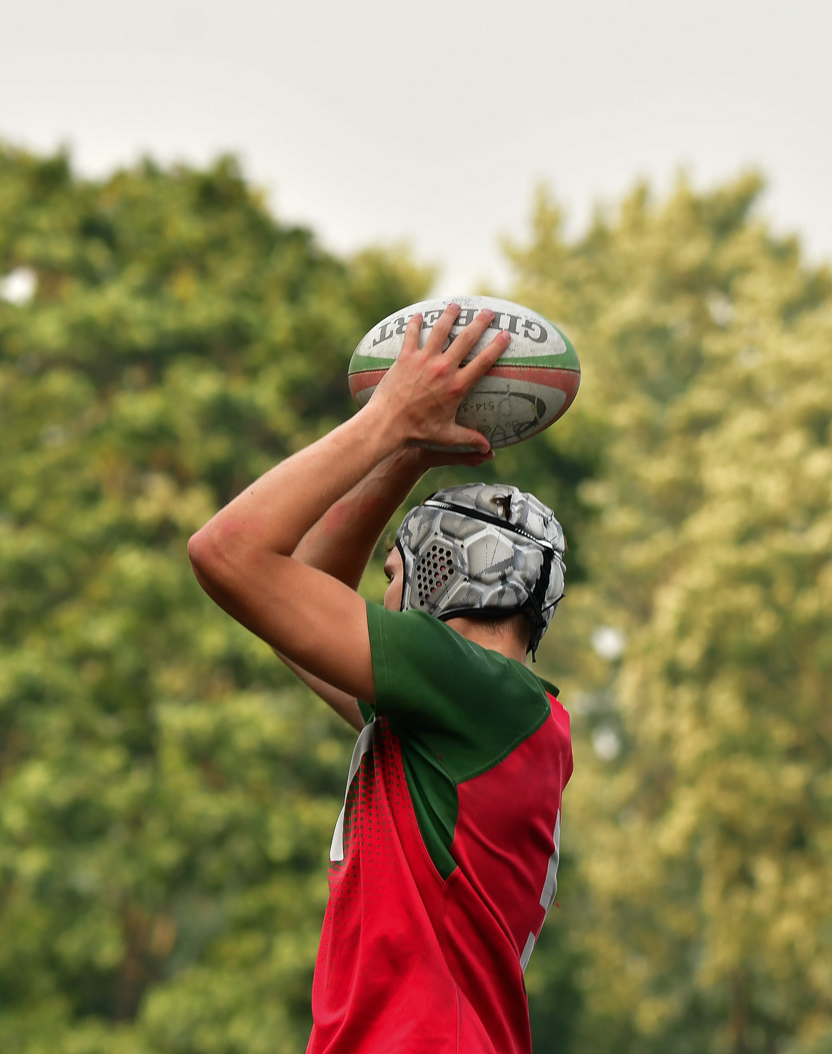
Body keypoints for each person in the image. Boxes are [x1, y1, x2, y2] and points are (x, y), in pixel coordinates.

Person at [188, 304, 573, 1054]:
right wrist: (409, 456)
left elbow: (226, 552)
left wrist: (387, 422)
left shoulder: (469, 687)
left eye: (392, 574)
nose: (379, 598)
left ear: (442, 572)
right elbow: (296, 597)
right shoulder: (477, 717)